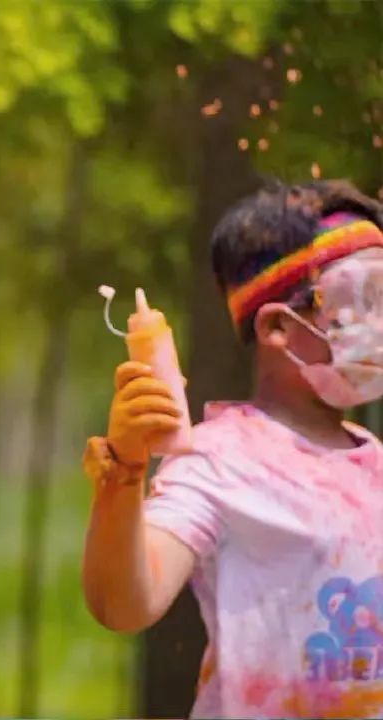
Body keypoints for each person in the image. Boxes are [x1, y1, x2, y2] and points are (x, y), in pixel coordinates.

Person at [81, 180, 383, 718]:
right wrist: (123, 473)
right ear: (277, 328)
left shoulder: (374, 461)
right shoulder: (219, 460)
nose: (376, 324)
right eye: (355, 300)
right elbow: (126, 603)